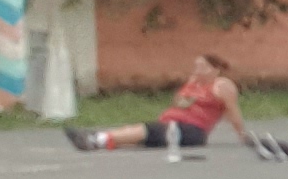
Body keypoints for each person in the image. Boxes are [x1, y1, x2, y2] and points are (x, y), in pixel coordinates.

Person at [66, 54, 254, 153]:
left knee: (146, 130)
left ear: (215, 69)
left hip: (192, 130)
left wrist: (243, 135)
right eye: (196, 66)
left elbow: (232, 111)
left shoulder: (221, 85)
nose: (197, 70)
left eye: (202, 67)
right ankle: (99, 140)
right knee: (141, 134)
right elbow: (178, 102)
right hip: (172, 123)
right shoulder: (194, 83)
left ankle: (96, 139)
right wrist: (189, 90)